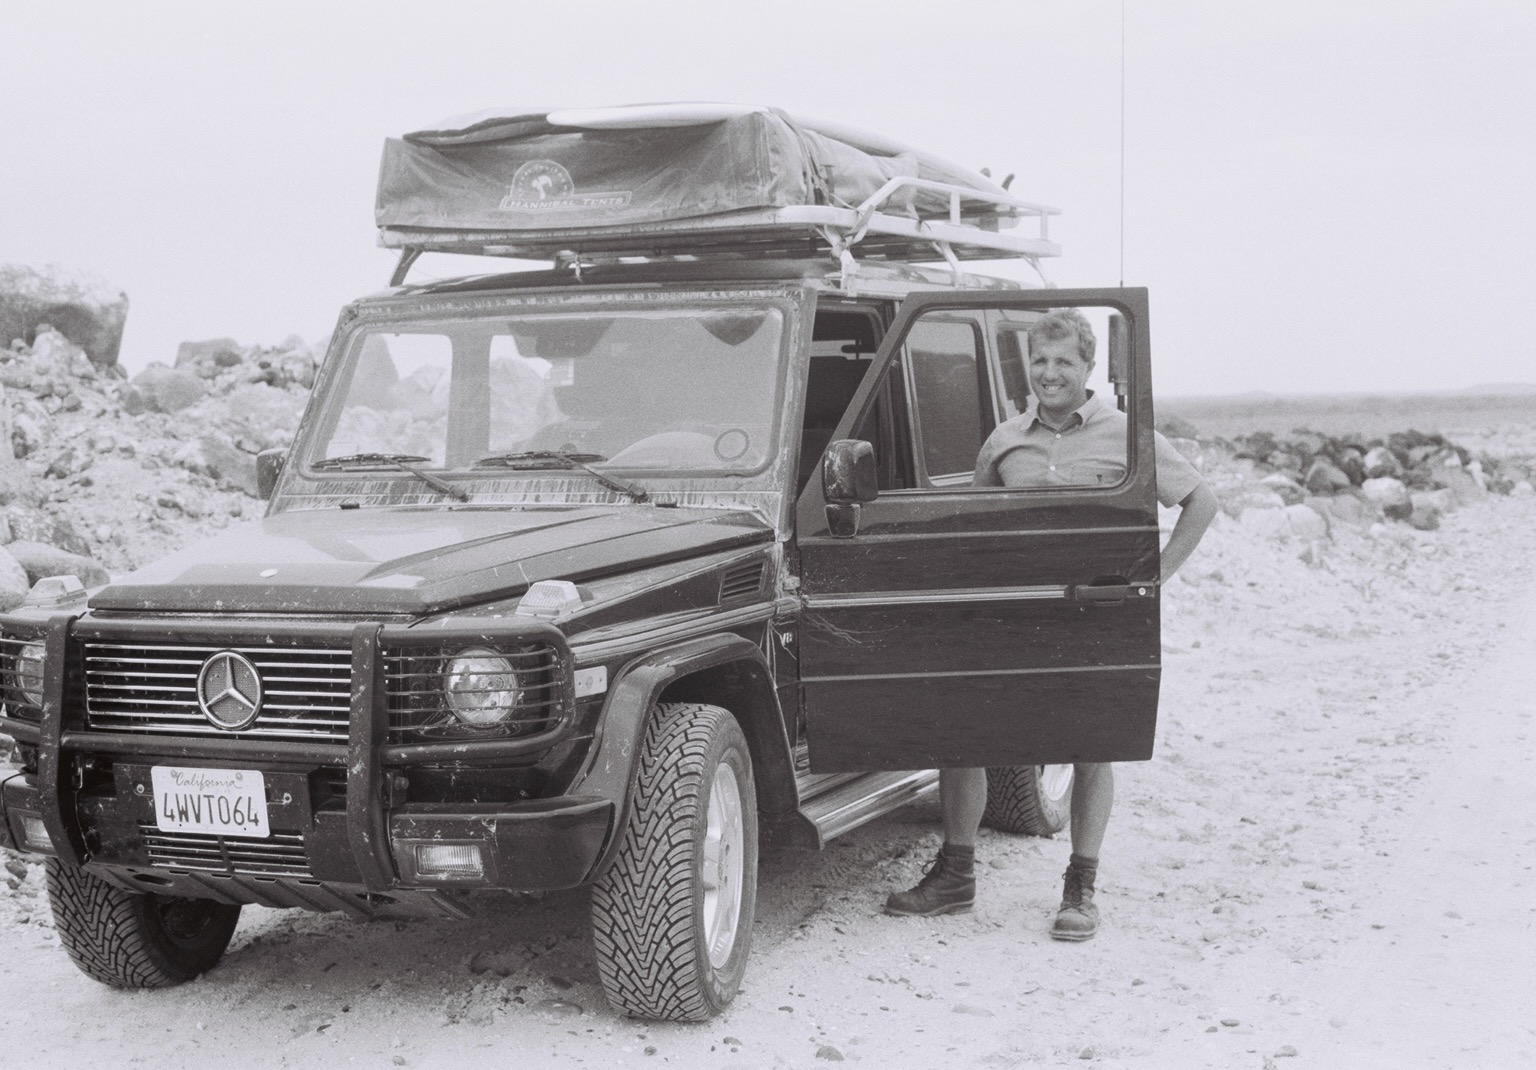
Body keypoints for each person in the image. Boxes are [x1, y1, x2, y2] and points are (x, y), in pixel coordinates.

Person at [883, 308, 1219, 941]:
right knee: (964, 739)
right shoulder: (1003, 440)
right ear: (1026, 366)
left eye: (1064, 361)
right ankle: (955, 877)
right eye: (1039, 360)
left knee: (1093, 747)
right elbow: (975, 529)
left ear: (1088, 367)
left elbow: (1202, 501)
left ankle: (1081, 889)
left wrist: (1154, 578)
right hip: (1012, 618)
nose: (1050, 373)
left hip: (1095, 618)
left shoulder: (1129, 435)